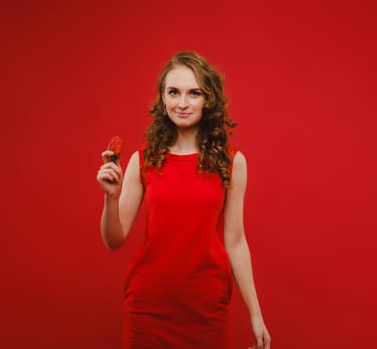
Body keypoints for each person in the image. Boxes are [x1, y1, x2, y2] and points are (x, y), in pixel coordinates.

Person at [96, 51, 270, 349]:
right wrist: (110, 199)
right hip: (148, 310)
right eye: (173, 92)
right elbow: (114, 240)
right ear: (163, 99)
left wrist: (255, 314)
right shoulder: (144, 160)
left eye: (194, 93)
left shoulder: (231, 163)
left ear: (208, 100)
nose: (183, 103)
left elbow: (236, 241)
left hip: (206, 310)